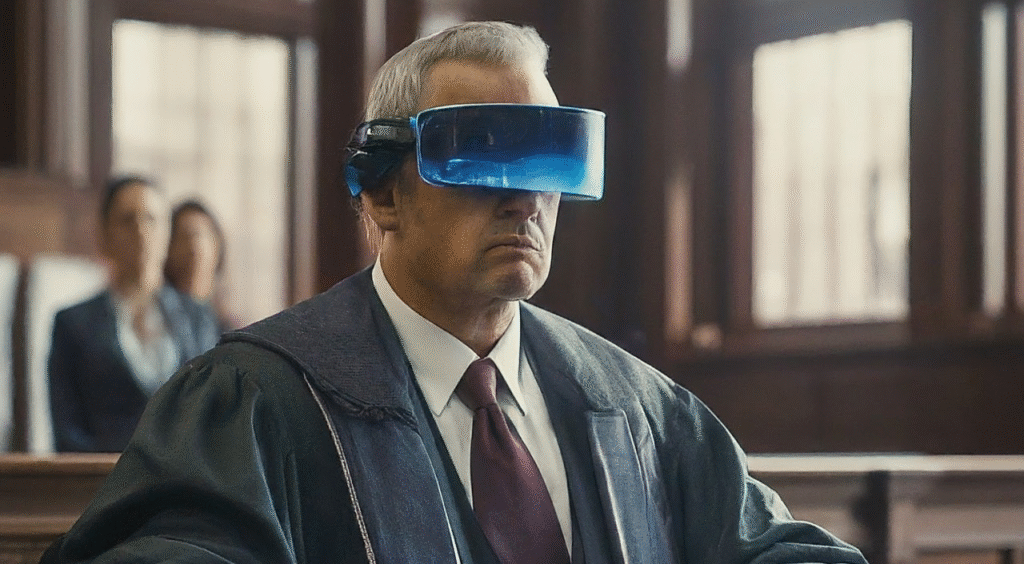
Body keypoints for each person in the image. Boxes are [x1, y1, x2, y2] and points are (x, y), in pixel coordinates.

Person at [42, 22, 868, 563]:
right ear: (382, 194)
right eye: (482, 153)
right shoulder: (256, 400)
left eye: (549, 159)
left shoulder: (635, 408)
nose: (525, 197)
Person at [47, 176, 221, 452]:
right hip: (104, 473)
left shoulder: (198, 318)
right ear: (104, 235)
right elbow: (67, 433)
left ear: (167, 233)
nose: (140, 230)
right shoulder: (73, 324)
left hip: (186, 474)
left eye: (151, 219)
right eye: (127, 220)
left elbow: (215, 415)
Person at [164, 199, 233, 329]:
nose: (194, 246)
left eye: (201, 235)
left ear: (217, 246)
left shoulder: (227, 325)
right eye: (184, 237)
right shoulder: (161, 317)